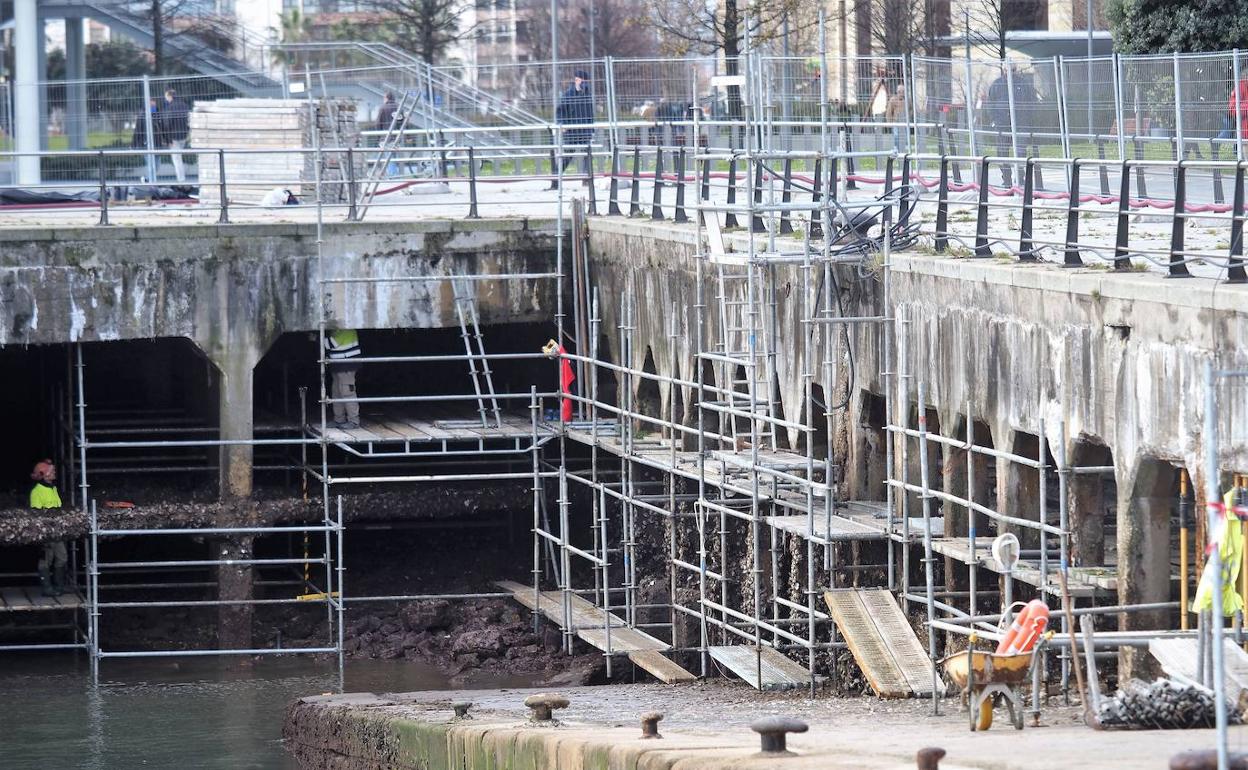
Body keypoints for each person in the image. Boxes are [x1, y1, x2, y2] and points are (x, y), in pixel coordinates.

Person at [30, 460, 68, 597]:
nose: (54, 473)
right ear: (44, 475)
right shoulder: (37, 492)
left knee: (62, 557)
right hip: (45, 531)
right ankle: (47, 588)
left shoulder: (53, 488)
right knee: (46, 559)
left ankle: (59, 586)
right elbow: (36, 514)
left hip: (57, 530)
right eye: (52, 472)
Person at [552, 69, 594, 188]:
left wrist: (592, 129)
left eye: (586, 81)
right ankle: (555, 179)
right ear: (576, 80)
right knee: (567, 156)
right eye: (581, 81)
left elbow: (590, 113)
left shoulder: (587, 94)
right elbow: (560, 111)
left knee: (588, 154)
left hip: (585, 130)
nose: (584, 83)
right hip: (571, 131)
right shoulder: (568, 94)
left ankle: (586, 179)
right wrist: (562, 124)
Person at [324, 327, 361, 429]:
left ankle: (353, 421)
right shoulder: (335, 329)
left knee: (347, 392)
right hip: (337, 365)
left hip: (347, 365)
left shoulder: (348, 329)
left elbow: (332, 343)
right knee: (337, 392)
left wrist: (317, 338)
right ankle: (339, 419)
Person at [159, 88, 191, 182]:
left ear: (170, 96)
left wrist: (167, 139)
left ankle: (181, 180)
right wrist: (187, 132)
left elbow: (167, 124)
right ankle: (182, 178)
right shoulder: (184, 105)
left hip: (173, 137)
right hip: (183, 136)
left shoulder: (170, 108)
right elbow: (189, 120)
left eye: (166, 97)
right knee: (179, 157)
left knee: (177, 159)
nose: (166, 99)